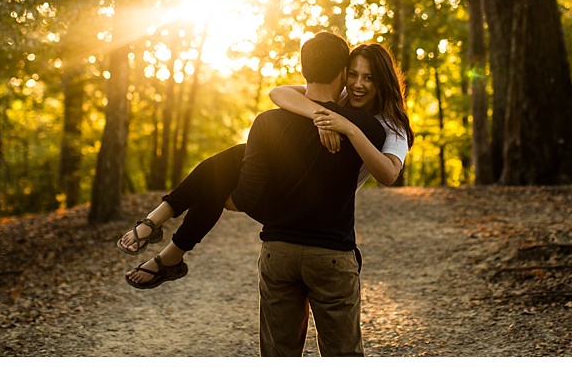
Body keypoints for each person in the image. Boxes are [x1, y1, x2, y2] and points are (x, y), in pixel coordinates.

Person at [119, 39, 413, 290]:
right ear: (343, 75)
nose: (358, 84)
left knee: (219, 179)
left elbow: (388, 174)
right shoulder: (344, 96)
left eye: (369, 78)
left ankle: (163, 241)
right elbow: (279, 93)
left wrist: (348, 127)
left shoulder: (390, 125)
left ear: (383, 81)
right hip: (296, 183)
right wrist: (321, 115)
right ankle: (163, 236)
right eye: (353, 74)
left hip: (317, 206)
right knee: (230, 162)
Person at [227, 33, 388, 356]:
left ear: (303, 70)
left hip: (278, 250)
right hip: (331, 255)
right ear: (343, 74)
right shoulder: (367, 128)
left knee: (278, 354)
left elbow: (248, 195)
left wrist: (224, 199)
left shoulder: (266, 122)